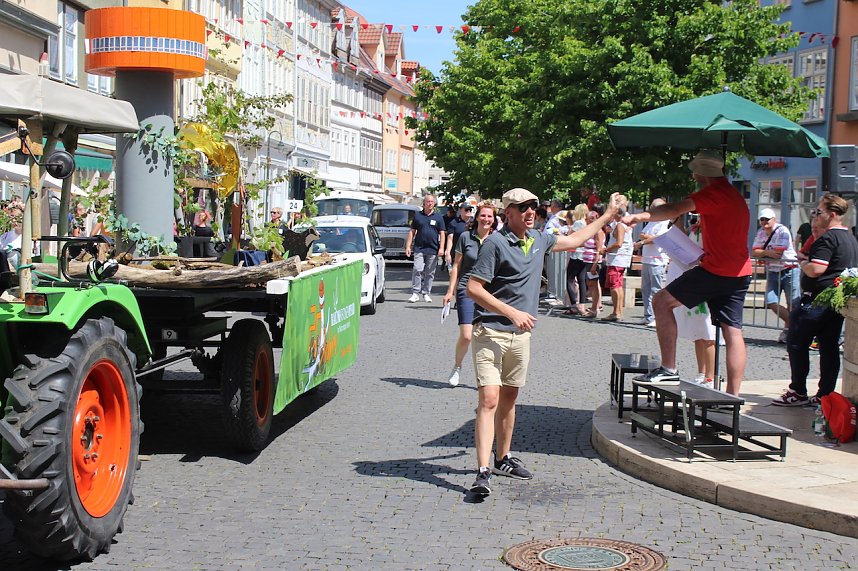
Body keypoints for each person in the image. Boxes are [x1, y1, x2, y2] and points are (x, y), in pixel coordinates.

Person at [465, 187, 619, 495]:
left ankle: (503, 457)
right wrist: (511, 312)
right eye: (523, 208)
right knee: (489, 400)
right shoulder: (494, 244)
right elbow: (474, 288)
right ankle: (482, 471)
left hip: (520, 336)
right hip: (491, 332)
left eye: (534, 206)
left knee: (509, 399)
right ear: (507, 213)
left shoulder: (539, 240)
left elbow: (575, 239)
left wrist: (608, 215)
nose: (530, 212)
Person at [622, 149, 753, 396]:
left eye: (694, 170)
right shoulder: (733, 195)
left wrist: (640, 215)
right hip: (740, 272)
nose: (692, 175)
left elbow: (674, 209)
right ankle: (734, 396)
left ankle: (668, 368)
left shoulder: (712, 193)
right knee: (732, 329)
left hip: (716, 270)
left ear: (701, 173)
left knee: (661, 302)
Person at [772, 194, 858, 406]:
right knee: (828, 347)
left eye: (819, 212)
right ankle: (825, 394)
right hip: (836, 301)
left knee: (796, 342)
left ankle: (798, 391)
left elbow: (816, 269)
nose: (815, 216)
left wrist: (803, 265)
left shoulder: (828, 239)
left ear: (833, 214)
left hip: (817, 300)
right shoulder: (850, 238)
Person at [442, 202, 497, 387]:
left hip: (488, 292)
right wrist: (450, 290)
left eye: (490, 216)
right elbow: (457, 265)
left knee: (485, 336)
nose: (486, 219)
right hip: (466, 289)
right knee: (467, 335)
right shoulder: (466, 237)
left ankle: (485, 375)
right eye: (483, 215)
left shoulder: (496, 240)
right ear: (477, 217)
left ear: (494, 219)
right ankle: (457, 366)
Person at [751, 207, 799, 343]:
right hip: (773, 271)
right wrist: (767, 253)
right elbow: (754, 252)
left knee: (793, 304)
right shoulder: (760, 233)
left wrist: (763, 252)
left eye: (767, 219)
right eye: (762, 219)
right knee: (771, 301)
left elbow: (778, 254)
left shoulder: (782, 231)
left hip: (789, 269)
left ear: (774, 219)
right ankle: (795, 326)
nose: (764, 222)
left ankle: (788, 333)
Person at [405, 194, 446, 303]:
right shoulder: (418, 216)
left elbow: (442, 233)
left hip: (433, 248)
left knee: (430, 272)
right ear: (424, 203)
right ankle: (415, 292)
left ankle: (426, 292)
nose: (430, 203)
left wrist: (442, 248)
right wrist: (408, 246)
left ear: (434, 203)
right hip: (419, 247)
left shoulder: (438, 217)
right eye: (428, 201)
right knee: (417, 269)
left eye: (432, 202)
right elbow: (412, 231)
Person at [635, 198, 670, 327]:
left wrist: (644, 241)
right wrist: (647, 239)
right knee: (646, 290)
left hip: (658, 260)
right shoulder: (652, 222)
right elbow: (642, 234)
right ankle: (648, 316)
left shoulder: (665, 223)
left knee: (656, 290)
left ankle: (657, 317)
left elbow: (658, 239)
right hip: (647, 259)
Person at [601, 200, 632, 322]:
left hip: (617, 259)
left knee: (614, 286)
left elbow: (619, 243)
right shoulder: (621, 225)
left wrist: (606, 250)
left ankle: (616, 312)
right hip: (619, 259)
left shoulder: (620, 226)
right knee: (618, 286)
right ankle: (618, 312)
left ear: (618, 214)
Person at [564, 204, 590, 315]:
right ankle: (582, 304)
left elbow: (570, 235)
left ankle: (574, 304)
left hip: (577, 254)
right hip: (584, 255)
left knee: (569, 279)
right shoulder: (587, 223)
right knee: (582, 280)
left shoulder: (578, 223)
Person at [582, 210, 605, 318]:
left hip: (593, 262)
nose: (586, 221)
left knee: (594, 285)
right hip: (587, 261)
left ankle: (595, 308)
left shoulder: (598, 232)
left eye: (588, 219)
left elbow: (599, 250)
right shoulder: (590, 231)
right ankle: (594, 307)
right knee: (591, 285)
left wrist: (595, 265)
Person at [444, 203, 473, 269]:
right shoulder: (454, 223)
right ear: (460, 210)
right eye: (466, 210)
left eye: (470, 210)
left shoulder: (474, 222)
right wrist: (448, 252)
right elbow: (450, 239)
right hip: (457, 253)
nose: (469, 211)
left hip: (471, 253)